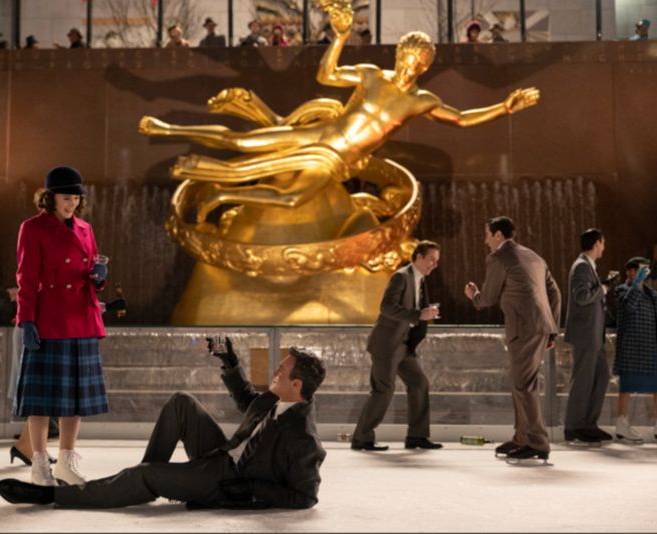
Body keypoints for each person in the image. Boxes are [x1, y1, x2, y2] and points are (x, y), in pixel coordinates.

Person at [140, 0, 540, 220]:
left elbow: (462, 119)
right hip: (321, 135)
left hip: (337, 160)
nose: (411, 65)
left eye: (419, 62)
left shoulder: (421, 100)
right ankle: (165, 129)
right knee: (243, 143)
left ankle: (220, 196)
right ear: (399, 54)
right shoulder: (370, 74)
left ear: (425, 66)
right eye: (408, 56)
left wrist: (504, 107)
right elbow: (326, 73)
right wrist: (341, 36)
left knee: (293, 199)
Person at [0, 339, 327, 510]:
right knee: (181, 402)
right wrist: (230, 361)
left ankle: (51, 496)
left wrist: (251, 492)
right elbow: (247, 402)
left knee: (146, 476)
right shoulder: (277, 398)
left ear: (297, 385)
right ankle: (138, 481)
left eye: (282, 370)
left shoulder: (304, 438)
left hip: (230, 481)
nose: (275, 371)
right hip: (221, 456)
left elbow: (305, 496)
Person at [13, 166, 110, 485]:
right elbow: (26, 278)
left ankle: (66, 461)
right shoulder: (33, 228)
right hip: (50, 320)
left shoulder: (85, 228)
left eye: (76, 198)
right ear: (49, 198)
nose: (71, 204)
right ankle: (39, 464)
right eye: (66, 198)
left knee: (76, 399)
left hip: (82, 318)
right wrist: (26, 319)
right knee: (41, 400)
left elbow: (91, 272)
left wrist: (98, 279)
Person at [464, 216, 561, 461]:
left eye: (487, 235)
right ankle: (522, 438)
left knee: (523, 385)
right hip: (538, 327)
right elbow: (555, 293)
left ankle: (537, 443)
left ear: (498, 235)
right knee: (523, 383)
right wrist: (551, 329)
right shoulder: (534, 256)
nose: (485, 241)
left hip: (523, 327)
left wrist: (474, 295)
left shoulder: (499, 257)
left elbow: (487, 297)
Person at [352, 241, 443, 451]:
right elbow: (386, 307)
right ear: (418, 257)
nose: (434, 265)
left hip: (404, 345)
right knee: (383, 390)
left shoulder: (420, 280)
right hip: (387, 345)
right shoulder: (401, 276)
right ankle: (361, 438)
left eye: (437, 261)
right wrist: (419, 315)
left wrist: (424, 313)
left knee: (419, 383)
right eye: (431, 259)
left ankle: (417, 437)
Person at [563, 229, 614, 444]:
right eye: (603, 243)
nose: (604, 247)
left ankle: (588, 424)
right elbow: (582, 297)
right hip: (585, 334)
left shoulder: (588, 266)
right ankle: (574, 427)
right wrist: (603, 288)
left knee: (601, 377)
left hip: (594, 335)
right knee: (583, 380)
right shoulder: (581, 266)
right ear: (596, 244)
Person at [612, 257, 657, 443]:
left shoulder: (652, 294)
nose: (631, 274)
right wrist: (637, 283)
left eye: (635, 271)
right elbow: (629, 307)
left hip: (650, 348)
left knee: (656, 387)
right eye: (629, 271)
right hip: (631, 346)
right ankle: (622, 424)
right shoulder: (622, 290)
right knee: (627, 386)